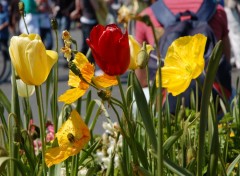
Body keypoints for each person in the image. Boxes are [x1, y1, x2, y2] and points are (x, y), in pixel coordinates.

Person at [135, 0, 231, 87]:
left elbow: (141, 77)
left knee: (138, 101)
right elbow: (226, 63)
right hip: (211, 93)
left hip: (165, 93)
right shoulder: (217, 11)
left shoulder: (147, 15)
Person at [224, 0, 240, 68]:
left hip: (229, 7)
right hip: (232, 7)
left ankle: (233, 59)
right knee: (236, 35)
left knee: (231, 35)